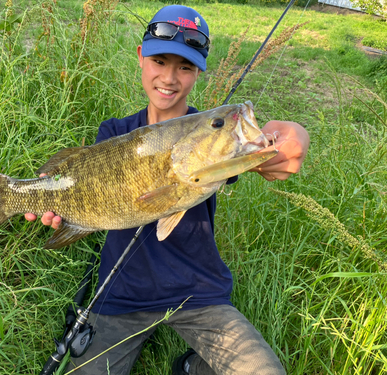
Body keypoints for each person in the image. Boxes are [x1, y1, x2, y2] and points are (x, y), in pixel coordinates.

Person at [26, 5, 310, 374]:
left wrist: (291, 137)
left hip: (199, 292)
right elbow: (81, 187)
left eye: (185, 67)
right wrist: (63, 214)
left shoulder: (212, 149)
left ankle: (194, 366)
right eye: (160, 61)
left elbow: (278, 145)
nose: (170, 77)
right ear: (141, 58)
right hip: (120, 294)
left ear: (198, 73)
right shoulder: (114, 132)